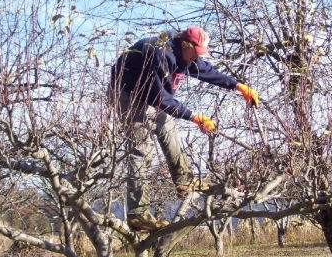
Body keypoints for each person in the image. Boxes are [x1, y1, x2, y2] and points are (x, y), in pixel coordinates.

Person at [110, 26, 259, 231]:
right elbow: (159, 97)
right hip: (127, 93)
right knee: (141, 149)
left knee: (168, 128)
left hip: (149, 95)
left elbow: (207, 71)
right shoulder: (159, 53)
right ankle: (138, 214)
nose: (195, 59)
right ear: (184, 45)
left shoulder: (186, 56)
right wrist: (193, 116)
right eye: (195, 54)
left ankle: (184, 181)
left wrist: (237, 85)